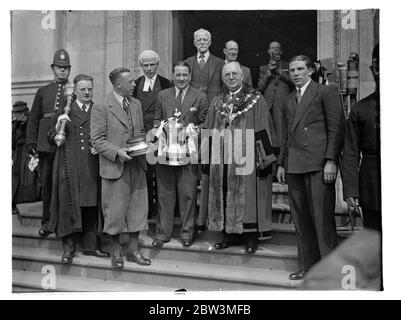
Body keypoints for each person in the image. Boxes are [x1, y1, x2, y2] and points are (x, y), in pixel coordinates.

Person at [277, 55, 345, 280]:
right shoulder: (288, 100)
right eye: (292, 70)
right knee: (301, 219)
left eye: (299, 69)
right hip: (295, 165)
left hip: (318, 165)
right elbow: (287, 135)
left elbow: (336, 129)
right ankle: (308, 266)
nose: (295, 74)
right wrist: (282, 163)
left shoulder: (325, 92)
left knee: (322, 219)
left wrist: (331, 160)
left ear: (311, 71)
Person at [203, 61, 275, 254]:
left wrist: (264, 159)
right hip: (222, 158)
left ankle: (250, 238)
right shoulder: (217, 101)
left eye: (235, 74)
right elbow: (209, 129)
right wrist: (207, 158)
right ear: (223, 78)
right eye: (227, 75)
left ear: (242, 76)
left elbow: (263, 128)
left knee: (248, 198)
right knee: (224, 192)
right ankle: (229, 235)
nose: (231, 77)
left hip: (247, 157)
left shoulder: (255, 99)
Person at [91, 67, 150, 269]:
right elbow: (97, 140)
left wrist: (145, 145)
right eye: (130, 82)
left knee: (138, 209)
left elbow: (140, 131)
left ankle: (133, 250)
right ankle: (116, 251)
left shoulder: (136, 104)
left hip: (137, 165)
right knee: (114, 213)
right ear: (118, 85)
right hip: (115, 167)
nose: (135, 84)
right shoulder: (101, 106)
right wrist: (117, 152)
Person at [47, 74, 109, 264]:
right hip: (69, 164)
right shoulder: (65, 110)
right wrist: (58, 125)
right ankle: (69, 249)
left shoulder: (98, 109)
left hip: (91, 164)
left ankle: (91, 246)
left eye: (89, 88)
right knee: (68, 205)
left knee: (91, 205)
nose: (86, 92)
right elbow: (51, 138)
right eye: (82, 89)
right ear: (75, 90)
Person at [151, 61, 208, 248]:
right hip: (166, 152)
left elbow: (204, 123)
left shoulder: (200, 97)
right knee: (164, 195)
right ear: (173, 76)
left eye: (185, 75)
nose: (181, 78)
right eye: (178, 75)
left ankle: (186, 233)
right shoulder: (163, 95)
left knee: (187, 194)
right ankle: (163, 233)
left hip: (188, 153)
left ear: (190, 76)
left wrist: (192, 130)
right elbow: (157, 119)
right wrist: (162, 128)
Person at [26, 48, 71, 237]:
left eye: (65, 67)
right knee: (47, 185)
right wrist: (31, 141)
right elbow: (34, 118)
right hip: (46, 146)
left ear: (69, 69)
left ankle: (63, 223)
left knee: (64, 185)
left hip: (66, 145)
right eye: (59, 67)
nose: (62, 70)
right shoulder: (43, 91)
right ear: (53, 68)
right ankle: (47, 222)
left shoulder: (73, 90)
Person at [342, 44, 381, 232]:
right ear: (374, 69)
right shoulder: (360, 109)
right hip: (372, 188)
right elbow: (350, 152)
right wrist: (351, 191)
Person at [133, 50, 172, 219]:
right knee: (146, 173)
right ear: (141, 66)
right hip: (142, 135)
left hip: (161, 134)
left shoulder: (166, 83)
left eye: (152, 65)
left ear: (157, 64)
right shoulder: (135, 84)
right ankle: (149, 209)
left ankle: (165, 210)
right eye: (145, 65)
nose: (149, 68)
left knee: (163, 172)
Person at [258, 41, 294, 174]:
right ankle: (270, 172)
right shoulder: (263, 68)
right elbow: (260, 88)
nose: (274, 51)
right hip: (268, 106)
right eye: (272, 48)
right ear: (268, 51)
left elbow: (293, 83)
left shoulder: (287, 66)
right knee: (268, 138)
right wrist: (268, 73)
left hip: (283, 105)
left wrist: (281, 72)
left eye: (277, 49)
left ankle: (282, 168)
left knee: (282, 138)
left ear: (281, 51)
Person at [12, 101, 40, 213]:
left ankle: (27, 203)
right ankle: (16, 204)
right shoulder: (15, 125)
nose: (16, 115)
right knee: (16, 177)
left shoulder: (31, 123)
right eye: (15, 113)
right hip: (18, 154)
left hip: (29, 153)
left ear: (24, 113)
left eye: (18, 113)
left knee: (29, 176)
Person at [184, 28, 225, 102]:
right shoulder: (187, 62)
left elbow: (224, 88)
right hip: (192, 105)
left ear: (209, 42)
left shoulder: (220, 63)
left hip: (213, 106)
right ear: (194, 43)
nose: (202, 42)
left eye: (205, 40)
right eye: (199, 40)